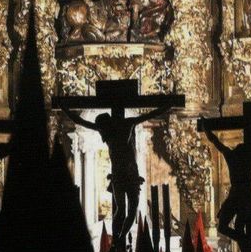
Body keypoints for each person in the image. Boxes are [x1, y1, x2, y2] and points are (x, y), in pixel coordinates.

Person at [60, 103, 171, 244]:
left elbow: (80, 121)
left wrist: (64, 107)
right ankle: (119, 238)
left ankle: (120, 238)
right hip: (123, 173)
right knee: (124, 209)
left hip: (127, 173)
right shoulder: (113, 127)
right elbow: (80, 121)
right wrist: (168, 105)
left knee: (129, 209)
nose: (102, 136)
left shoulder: (115, 127)